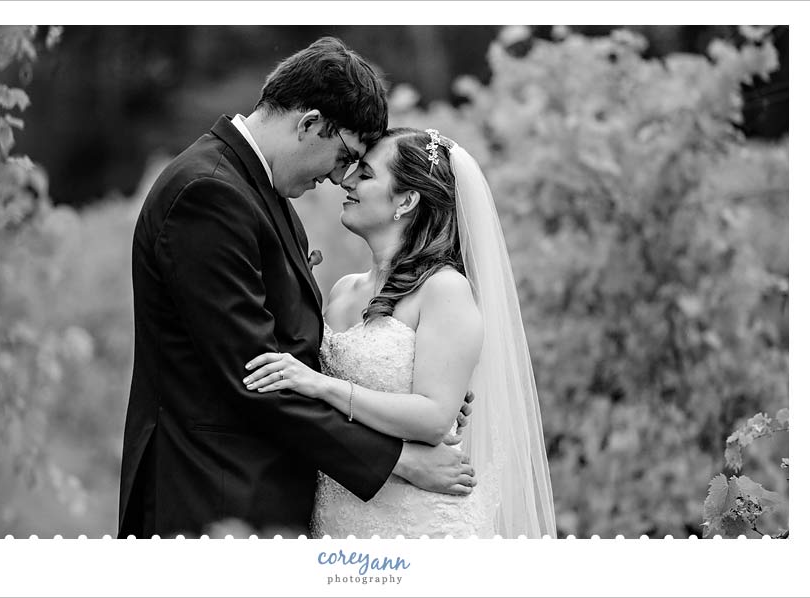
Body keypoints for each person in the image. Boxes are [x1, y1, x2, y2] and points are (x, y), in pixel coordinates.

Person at [118, 38, 476, 539]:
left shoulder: (262, 194)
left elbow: (295, 351)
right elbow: (254, 377)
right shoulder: (209, 193)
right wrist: (397, 458)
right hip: (211, 493)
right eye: (343, 155)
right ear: (309, 123)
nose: (338, 178)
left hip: (265, 496)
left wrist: (415, 393)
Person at [244, 128, 557, 538]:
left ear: (407, 201)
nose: (347, 180)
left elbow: (431, 418)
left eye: (367, 174)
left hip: (418, 519)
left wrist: (322, 386)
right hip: (340, 512)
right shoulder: (342, 291)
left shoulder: (444, 289)